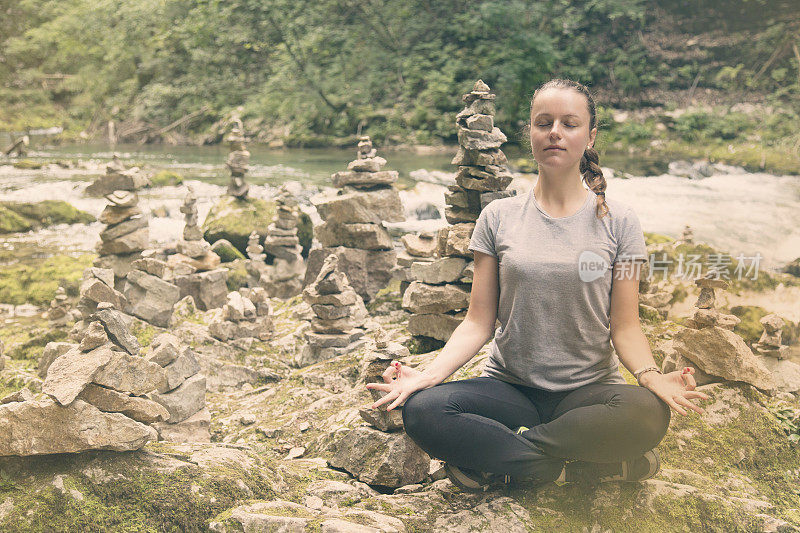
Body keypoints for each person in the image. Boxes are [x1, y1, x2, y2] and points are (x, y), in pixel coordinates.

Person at [366, 79, 710, 491]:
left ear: (590, 135)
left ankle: (515, 457)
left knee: (647, 413)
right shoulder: (498, 217)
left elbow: (625, 326)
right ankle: (578, 465)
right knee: (424, 411)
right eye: (543, 122)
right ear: (529, 132)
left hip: (589, 394)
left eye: (569, 123)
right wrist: (428, 375)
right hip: (508, 390)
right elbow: (478, 322)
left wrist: (652, 378)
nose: (555, 133)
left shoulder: (620, 222)